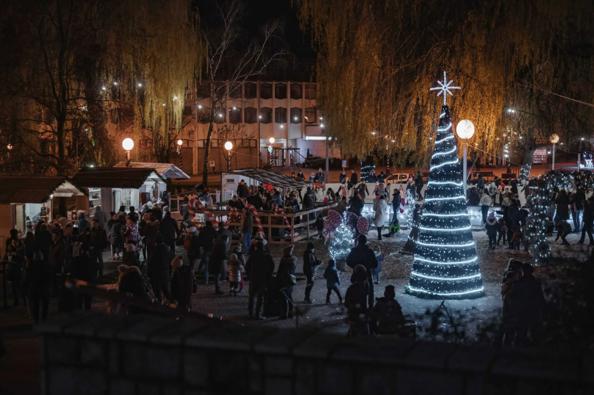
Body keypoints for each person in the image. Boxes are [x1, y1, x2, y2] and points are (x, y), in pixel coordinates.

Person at [346, 235, 378, 308]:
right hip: (367, 273)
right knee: (370, 290)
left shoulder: (354, 251)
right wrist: (368, 266)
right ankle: (370, 306)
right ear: (365, 241)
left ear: (358, 241)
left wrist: (355, 266)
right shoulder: (369, 251)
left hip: (356, 274)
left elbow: (348, 261)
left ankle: (357, 306)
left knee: (356, 290)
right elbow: (375, 264)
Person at [245, 240, 274, 319]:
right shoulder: (267, 256)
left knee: (251, 296)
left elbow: (247, 266)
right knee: (260, 297)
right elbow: (272, 267)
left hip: (253, 278)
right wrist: (268, 276)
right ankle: (257, 314)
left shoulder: (253, 255)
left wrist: (249, 275)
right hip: (263, 279)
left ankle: (250, 313)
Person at [25, 241, 51, 323]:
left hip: (34, 286)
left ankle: (37, 320)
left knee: (36, 304)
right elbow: (49, 275)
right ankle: (43, 319)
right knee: (44, 303)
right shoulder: (45, 264)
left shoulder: (31, 265)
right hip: (43, 286)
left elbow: (27, 277)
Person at [345, 265, 370, 336]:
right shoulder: (366, 286)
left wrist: (352, 306)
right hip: (362, 311)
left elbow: (347, 303)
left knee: (354, 331)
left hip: (354, 313)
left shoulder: (351, 288)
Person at [147, 234, 171, 303]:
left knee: (157, 291)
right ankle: (172, 304)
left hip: (156, 273)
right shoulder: (167, 249)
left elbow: (151, 262)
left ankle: (159, 304)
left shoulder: (155, 249)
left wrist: (149, 273)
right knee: (166, 290)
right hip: (165, 272)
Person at [4, 229, 25, 306]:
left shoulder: (18, 241)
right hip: (14, 263)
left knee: (16, 282)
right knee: (16, 282)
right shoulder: (12, 241)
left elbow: (8, 251)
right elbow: (8, 251)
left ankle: (18, 299)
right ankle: (18, 299)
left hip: (15, 263)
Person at [276, 245, 297, 319]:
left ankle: (284, 314)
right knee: (289, 296)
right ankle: (290, 313)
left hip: (284, 281)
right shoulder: (294, 260)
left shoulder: (284, 260)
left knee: (284, 298)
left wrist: (277, 279)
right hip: (291, 281)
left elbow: (280, 271)